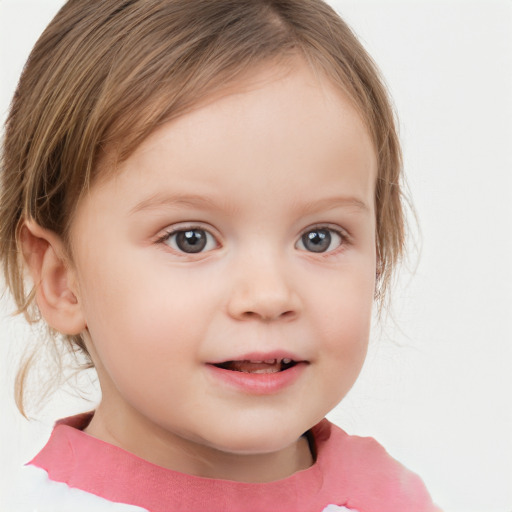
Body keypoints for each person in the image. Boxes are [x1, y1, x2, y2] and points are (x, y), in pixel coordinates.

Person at [0, 1, 442, 511]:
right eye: (191, 238)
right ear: (60, 279)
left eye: (319, 237)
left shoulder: (394, 497)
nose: (269, 295)